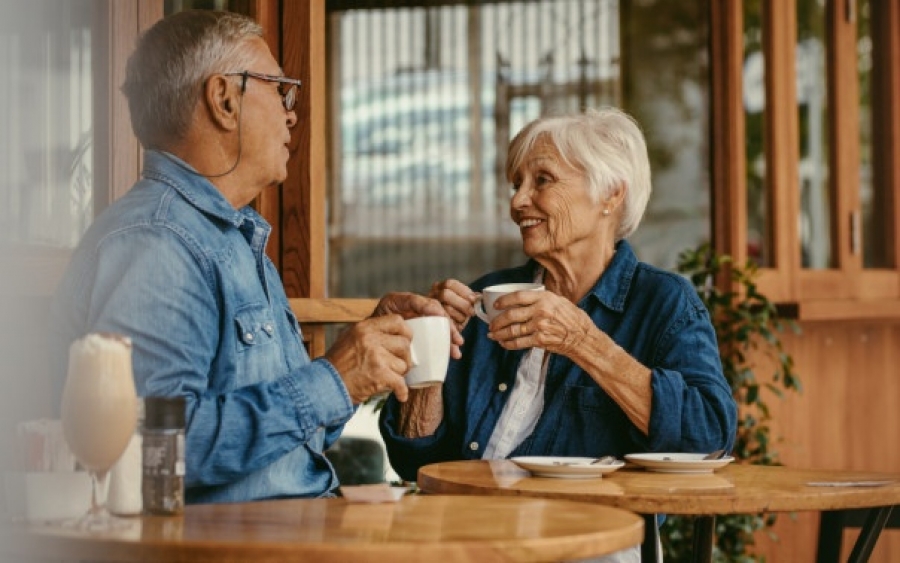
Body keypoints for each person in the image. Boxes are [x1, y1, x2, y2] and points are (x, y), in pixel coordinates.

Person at [49, 10, 458, 505]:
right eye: (279, 89)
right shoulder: (157, 243)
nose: (291, 113)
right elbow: (157, 451)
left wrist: (356, 368)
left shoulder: (232, 239)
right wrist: (334, 377)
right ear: (224, 99)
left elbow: (294, 442)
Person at [379, 107, 737, 560]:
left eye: (542, 180)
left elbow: (711, 438)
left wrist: (584, 342)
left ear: (610, 194)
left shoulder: (663, 303)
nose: (517, 202)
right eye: (516, 185)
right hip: (465, 534)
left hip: (589, 544)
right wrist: (429, 357)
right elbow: (413, 462)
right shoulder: (488, 295)